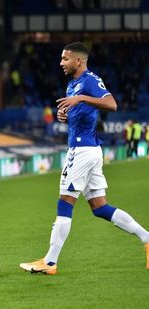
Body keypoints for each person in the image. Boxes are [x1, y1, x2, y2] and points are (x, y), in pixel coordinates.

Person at [19, 42, 149, 275]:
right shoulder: (72, 85)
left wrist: (80, 100)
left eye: (65, 59)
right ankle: (147, 238)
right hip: (89, 150)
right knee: (100, 207)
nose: (61, 63)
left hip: (82, 151)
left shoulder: (89, 80)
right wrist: (65, 114)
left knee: (65, 202)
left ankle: (49, 262)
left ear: (79, 60)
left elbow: (111, 104)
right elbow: (81, 113)